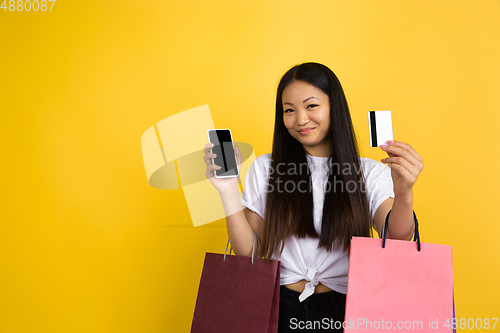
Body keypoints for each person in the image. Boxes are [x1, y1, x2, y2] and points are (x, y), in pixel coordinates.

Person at [202, 62, 424, 332]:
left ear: (335, 107)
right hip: (278, 304)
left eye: (311, 106)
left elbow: (398, 237)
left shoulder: (369, 171)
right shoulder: (266, 167)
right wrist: (227, 192)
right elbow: (250, 252)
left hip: (347, 308)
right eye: (289, 111)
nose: (300, 120)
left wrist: (404, 194)